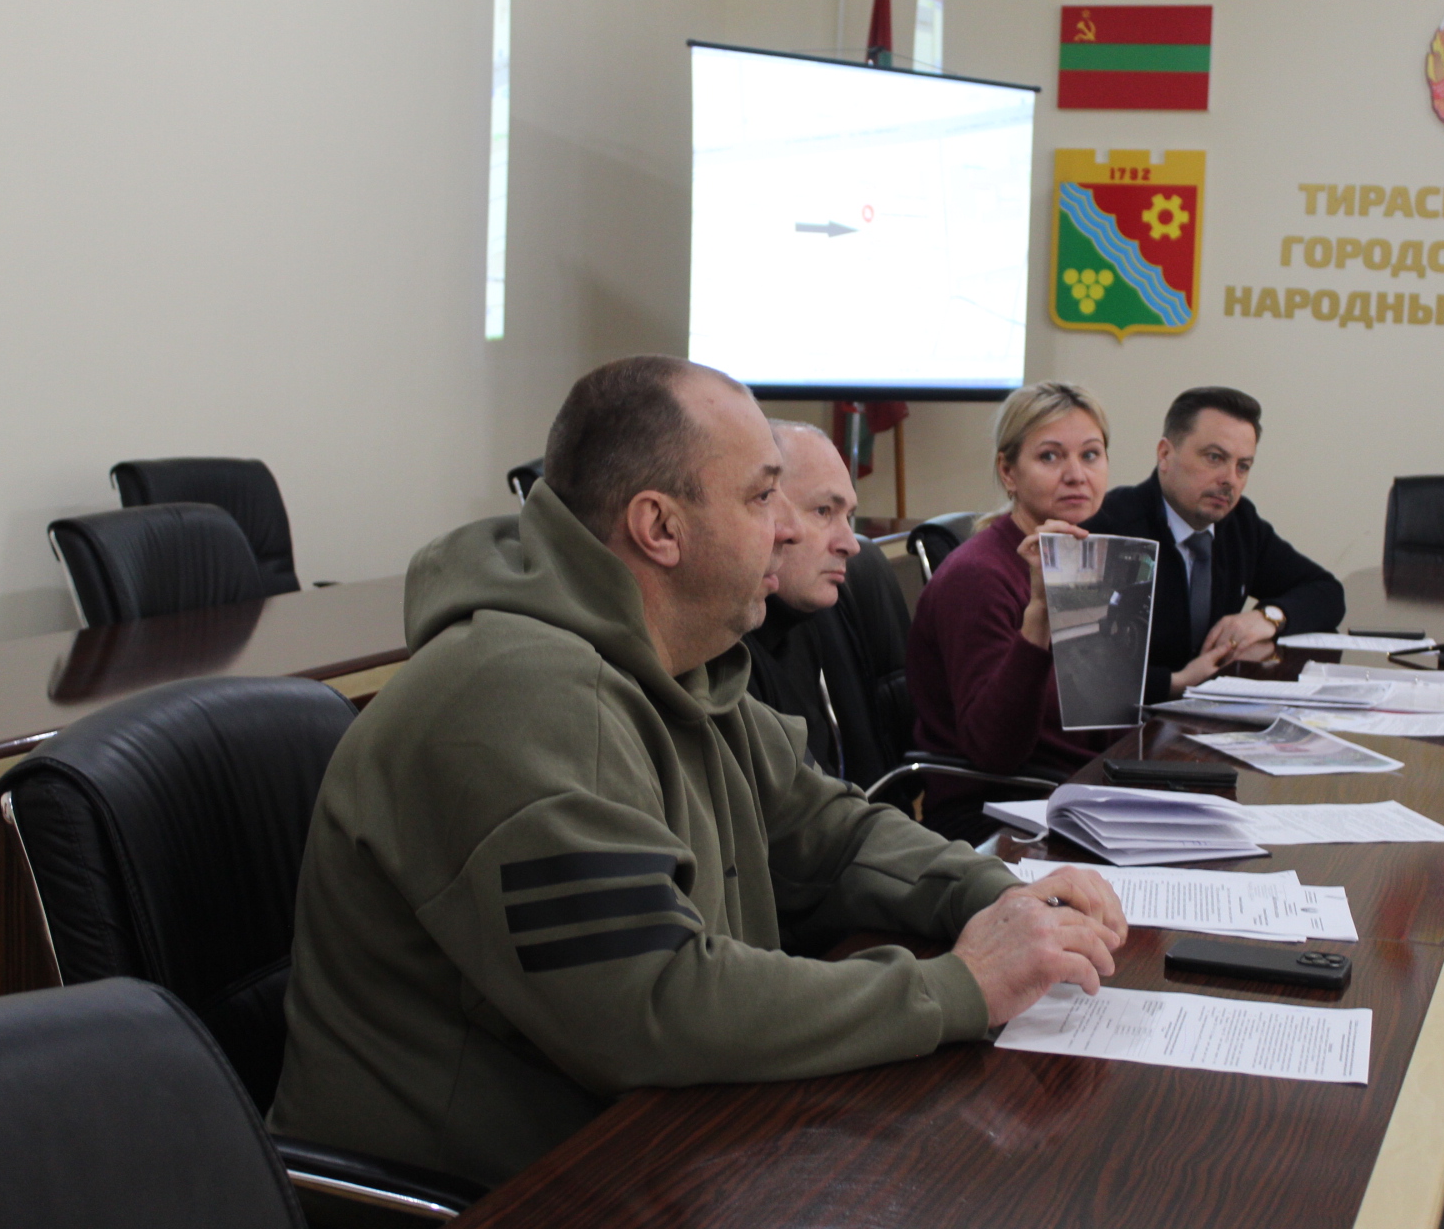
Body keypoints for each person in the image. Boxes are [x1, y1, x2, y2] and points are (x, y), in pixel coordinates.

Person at [270, 356, 1125, 1189]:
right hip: (505, 1185)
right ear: (660, 528)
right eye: (760, 497)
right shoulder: (520, 697)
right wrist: (959, 986)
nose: (786, 528)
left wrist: (994, 896)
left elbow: (831, 832)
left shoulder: (675, 662)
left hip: (652, 1138)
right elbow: (653, 1002)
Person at [907, 383, 1225, 841]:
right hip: (1001, 812)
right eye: (1050, 457)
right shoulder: (977, 576)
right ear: (1008, 472)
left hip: (1084, 790)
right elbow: (994, 752)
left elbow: (1103, 719)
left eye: (1090, 455)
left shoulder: (1083, 558)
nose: (1076, 475)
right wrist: (1038, 616)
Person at [1086, 387, 1344, 703]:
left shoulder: (1239, 523)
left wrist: (1268, 619)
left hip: (1211, 711)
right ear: (1165, 455)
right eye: (1214, 458)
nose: (1230, 479)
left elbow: (1327, 592)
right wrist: (1173, 683)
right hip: (1133, 717)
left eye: (1243, 466)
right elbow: (1083, 667)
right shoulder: (1110, 525)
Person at [741, 420, 870, 781]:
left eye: (849, 516)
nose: (851, 544)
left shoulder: (805, 620)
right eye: (823, 511)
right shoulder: (719, 646)